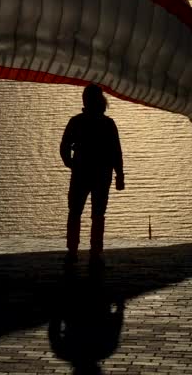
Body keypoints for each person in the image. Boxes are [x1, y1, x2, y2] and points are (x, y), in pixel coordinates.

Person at [60, 84, 125, 264]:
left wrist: (70, 163)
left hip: (81, 172)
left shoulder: (76, 122)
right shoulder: (108, 123)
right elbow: (116, 152)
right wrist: (120, 175)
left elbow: (64, 146)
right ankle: (95, 250)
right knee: (97, 213)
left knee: (75, 211)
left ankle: (72, 249)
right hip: (102, 174)